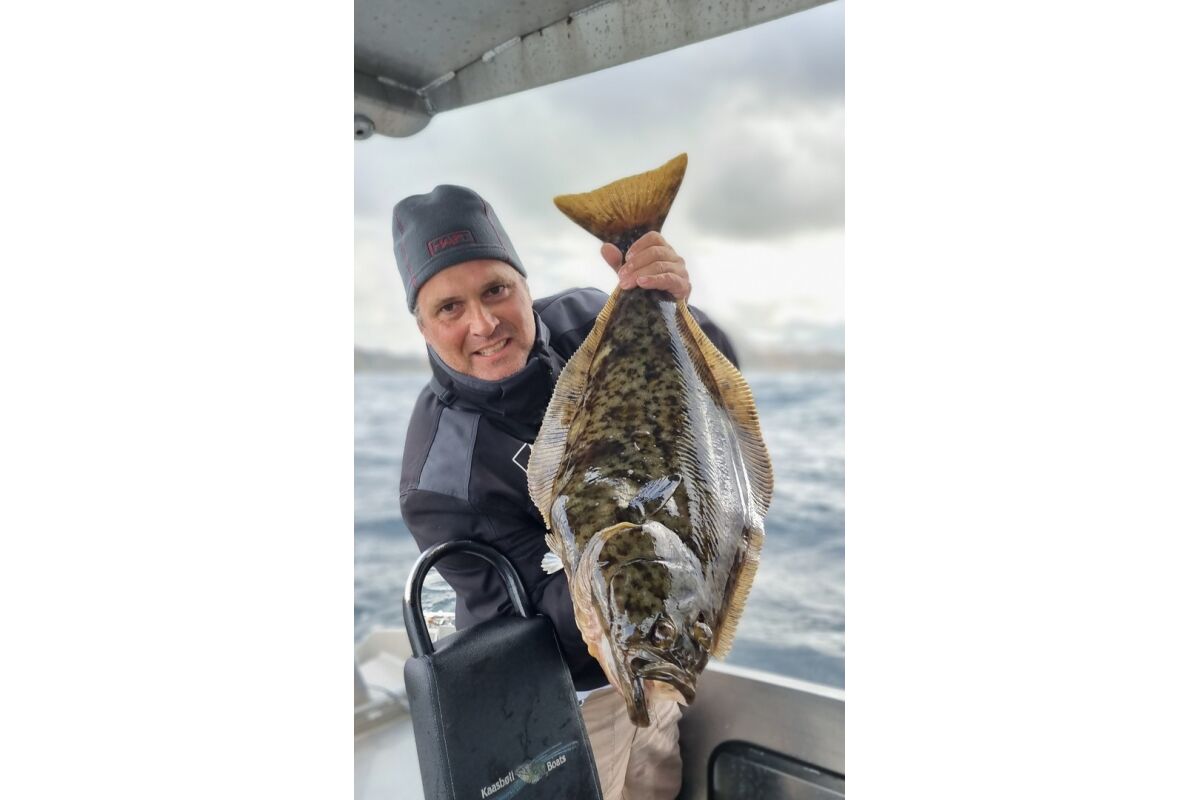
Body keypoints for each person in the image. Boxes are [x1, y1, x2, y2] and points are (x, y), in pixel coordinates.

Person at [392, 184, 738, 800]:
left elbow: (714, 397)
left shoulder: (587, 318)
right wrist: (654, 618)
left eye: (496, 290)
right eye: (449, 308)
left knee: (658, 782)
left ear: (523, 282)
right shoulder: (438, 479)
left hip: (656, 648)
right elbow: (533, 617)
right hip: (562, 700)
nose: (483, 324)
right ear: (422, 325)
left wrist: (678, 308)